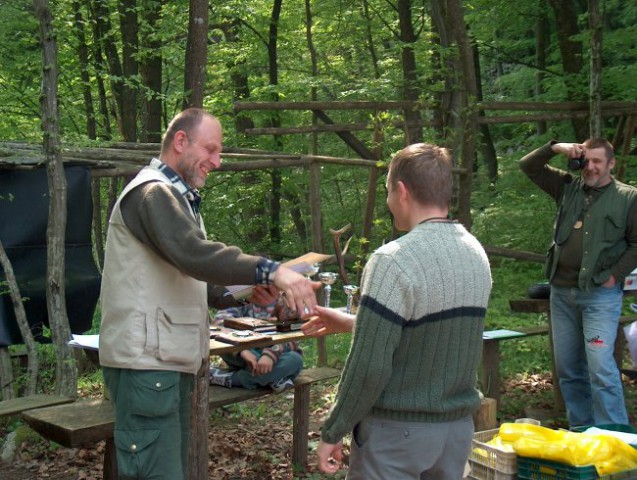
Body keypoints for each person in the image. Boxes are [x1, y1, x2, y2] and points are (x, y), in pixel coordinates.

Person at [98, 108, 319, 480]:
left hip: (164, 361)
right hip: (146, 364)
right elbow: (195, 254)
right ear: (180, 141)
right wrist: (270, 270)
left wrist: (247, 292)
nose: (218, 162)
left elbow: (195, 276)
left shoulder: (177, 198)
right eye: (211, 149)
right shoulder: (153, 192)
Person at [302, 143, 492, 479]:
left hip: (396, 436)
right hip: (456, 433)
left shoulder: (393, 259)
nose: (389, 201)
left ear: (401, 191)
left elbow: (369, 367)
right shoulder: (474, 253)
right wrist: (353, 323)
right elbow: (434, 333)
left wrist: (334, 430)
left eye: (388, 191)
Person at [520, 138, 637, 427]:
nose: (591, 167)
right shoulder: (567, 186)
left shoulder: (628, 197)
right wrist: (555, 147)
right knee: (569, 369)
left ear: (611, 164)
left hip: (599, 294)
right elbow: (528, 165)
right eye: (587, 160)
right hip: (561, 293)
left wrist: (614, 275)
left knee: (600, 368)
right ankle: (582, 435)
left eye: (598, 161)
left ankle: (615, 441)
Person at [210, 284, 303, 392]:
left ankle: (230, 378)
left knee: (295, 360)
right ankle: (274, 378)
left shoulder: (288, 302)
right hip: (242, 352)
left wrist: (270, 355)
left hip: (273, 356)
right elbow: (219, 324)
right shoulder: (244, 296)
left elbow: (293, 338)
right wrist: (241, 351)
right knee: (224, 343)